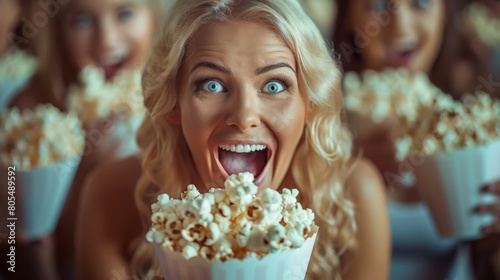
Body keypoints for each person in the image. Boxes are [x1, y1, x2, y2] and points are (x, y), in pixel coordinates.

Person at [77, 0, 390, 279]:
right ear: (175, 103)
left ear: (310, 104)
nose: (243, 117)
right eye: (212, 85)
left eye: (274, 86)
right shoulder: (112, 195)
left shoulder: (353, 195)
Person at [332, 0, 500, 279]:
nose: (401, 26)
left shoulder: (475, 115)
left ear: (444, 13)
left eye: (421, 3)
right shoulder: (311, 118)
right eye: (378, 5)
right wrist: (340, 177)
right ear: (348, 16)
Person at [6, 0, 166, 279]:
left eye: (125, 13)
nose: (106, 41)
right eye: (81, 20)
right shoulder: (30, 117)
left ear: (154, 16)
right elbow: (20, 239)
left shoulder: (182, 103)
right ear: (57, 30)